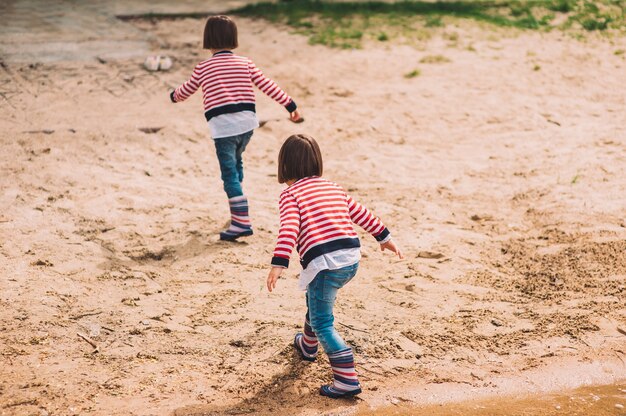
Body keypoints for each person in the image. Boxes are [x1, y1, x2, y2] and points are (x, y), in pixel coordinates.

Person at [266, 134, 403, 398]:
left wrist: (278, 264)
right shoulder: (332, 186)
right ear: (317, 161)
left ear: (284, 165)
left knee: (322, 322)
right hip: (350, 260)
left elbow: (289, 229)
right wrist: (385, 238)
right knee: (314, 299)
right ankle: (308, 346)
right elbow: (361, 213)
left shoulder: (290, 195)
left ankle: (346, 380)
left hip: (325, 264)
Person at [170, 15, 302, 241]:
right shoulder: (245, 63)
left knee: (229, 174)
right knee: (237, 160)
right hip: (247, 126)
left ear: (208, 39)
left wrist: (173, 96)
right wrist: (290, 105)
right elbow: (268, 85)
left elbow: (185, 91)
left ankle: (241, 222)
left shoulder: (203, 68)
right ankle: (237, 206)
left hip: (223, 129)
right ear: (233, 38)